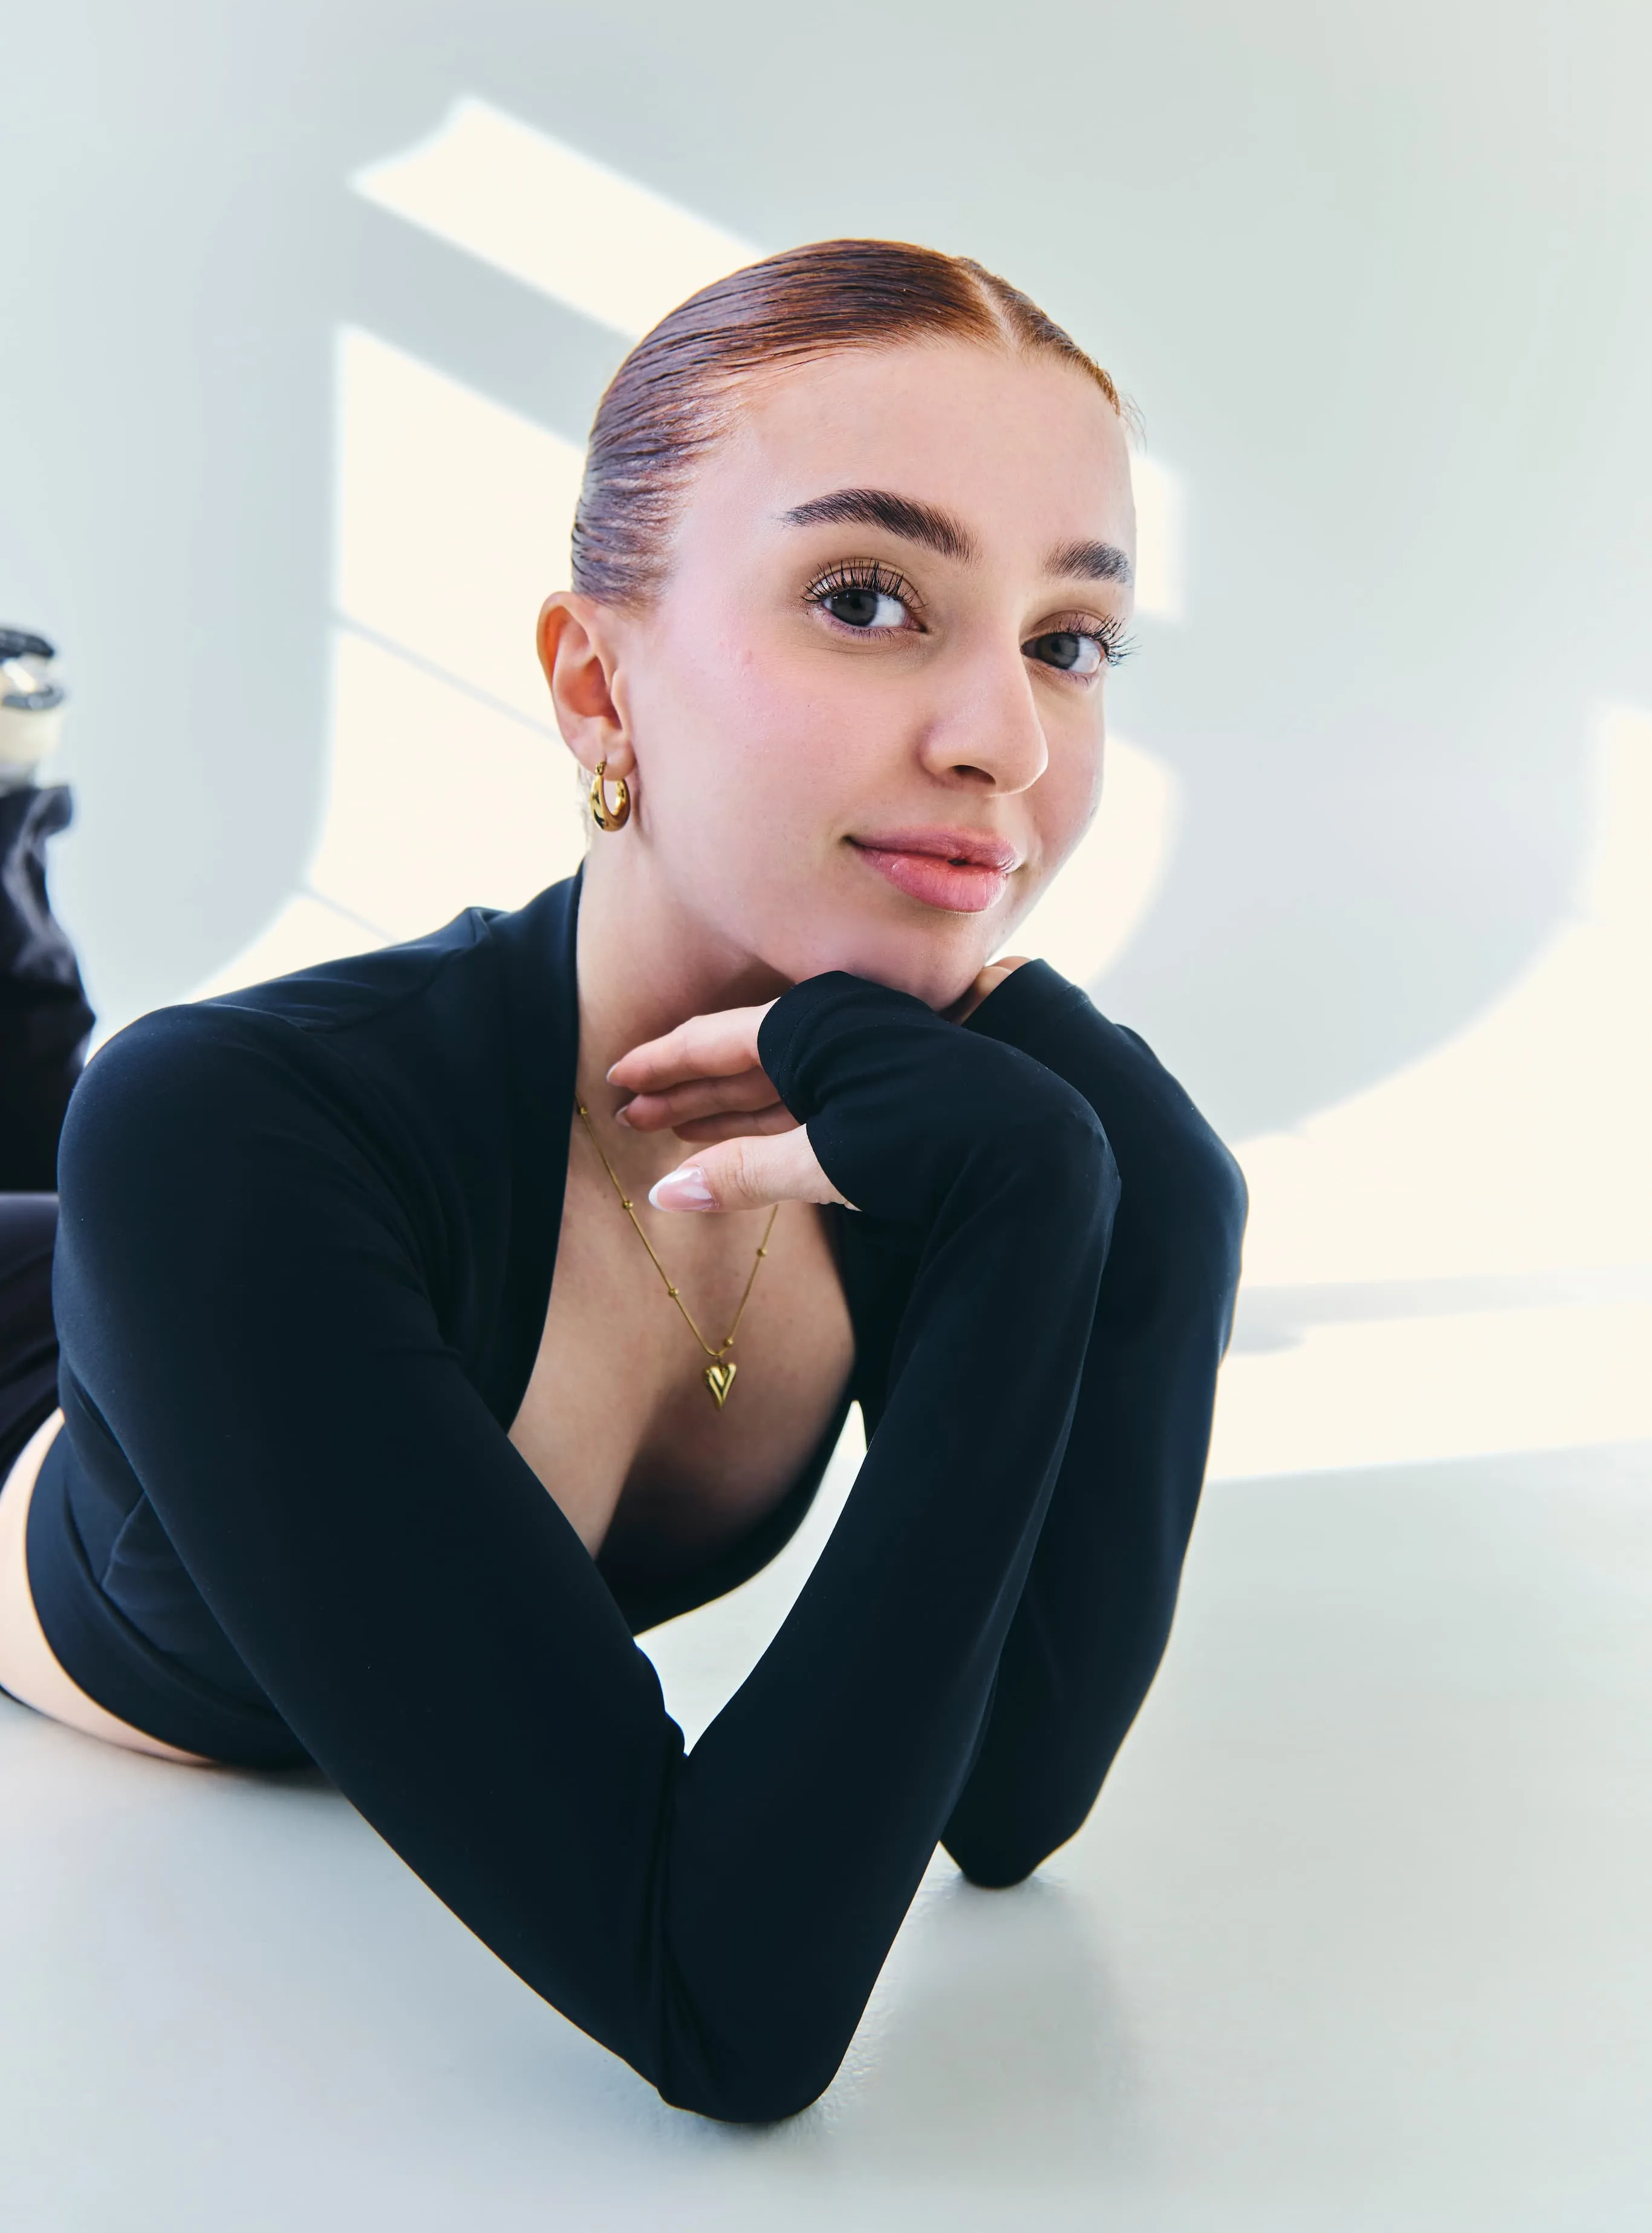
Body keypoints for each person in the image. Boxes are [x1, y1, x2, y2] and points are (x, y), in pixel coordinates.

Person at [0, 240, 1245, 2122]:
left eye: (1067, 642)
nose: (1001, 742)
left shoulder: (991, 1133)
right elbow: (726, 2008)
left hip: (166, 1269)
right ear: (597, 682)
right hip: (65, 1330)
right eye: (864, 596)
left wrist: (1121, 1197)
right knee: (57, 1083)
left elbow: (1008, 1796)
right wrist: (1033, 1201)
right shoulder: (234, 1126)